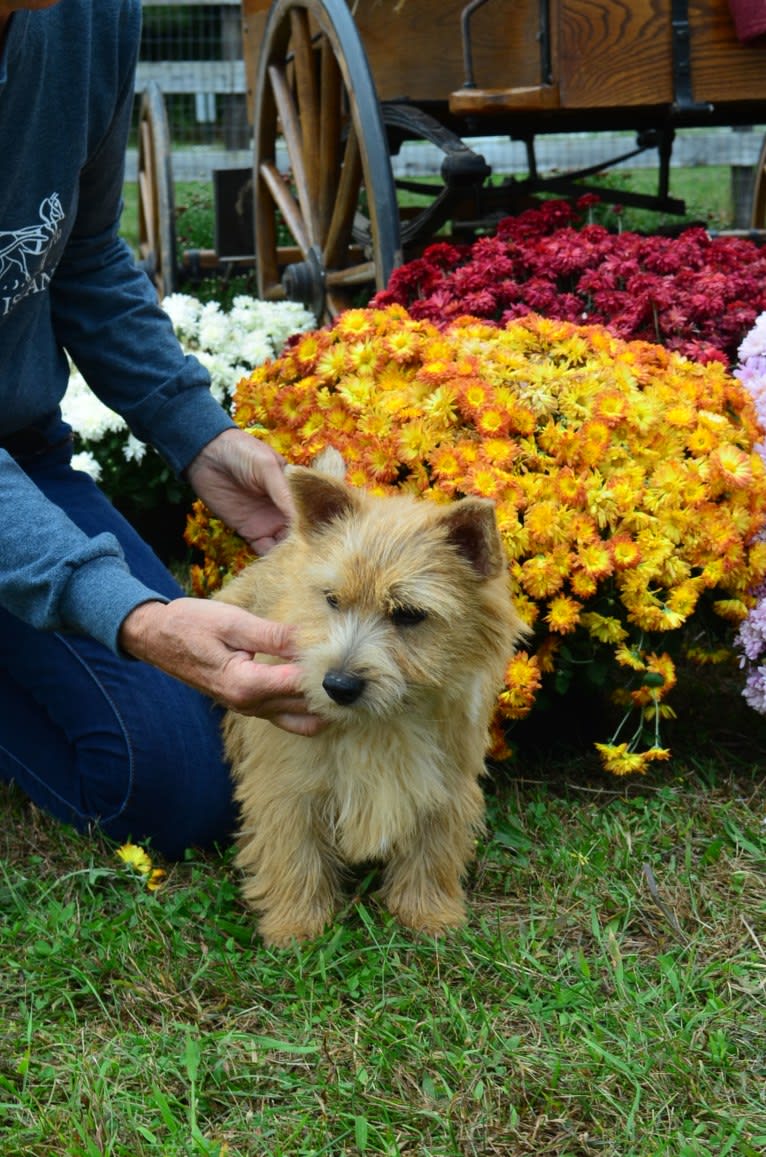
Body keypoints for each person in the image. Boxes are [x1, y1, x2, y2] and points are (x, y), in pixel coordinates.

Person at [0, 0, 320, 858]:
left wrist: (200, 436)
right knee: (155, 761)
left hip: (17, 465)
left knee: (182, 781)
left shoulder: (91, 14)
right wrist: (133, 615)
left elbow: (85, 253)